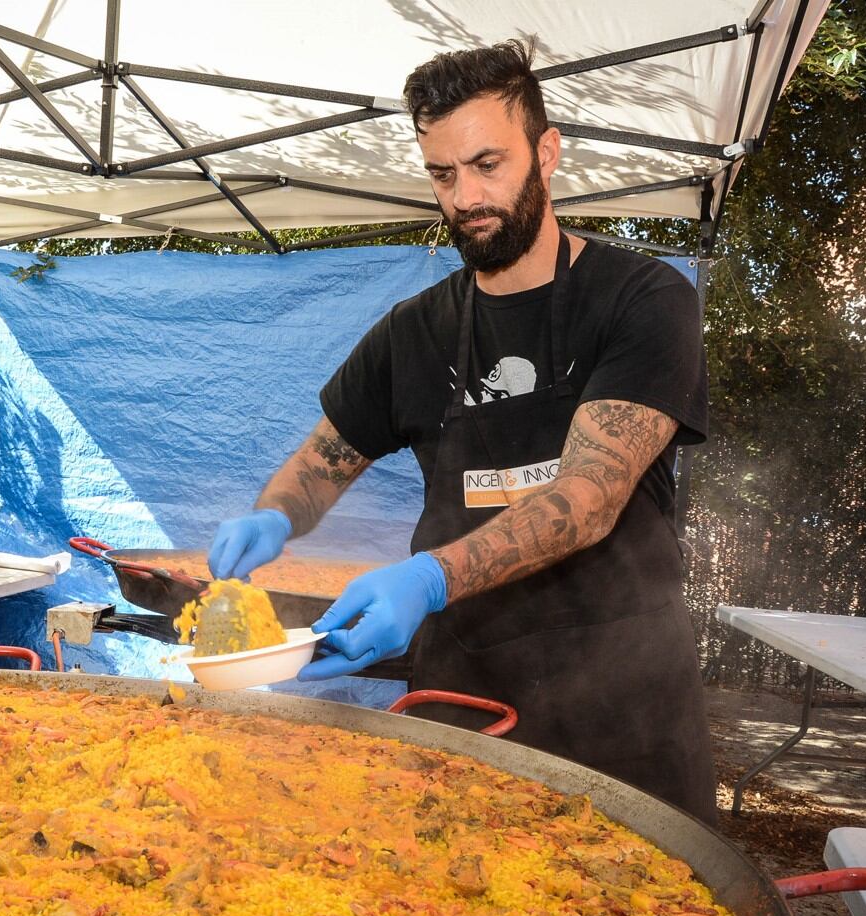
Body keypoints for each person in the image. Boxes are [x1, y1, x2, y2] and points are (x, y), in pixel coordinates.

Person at [208, 39, 717, 822]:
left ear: (546, 154)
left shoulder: (641, 298)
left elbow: (584, 497)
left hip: (621, 707)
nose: (466, 195)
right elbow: (320, 461)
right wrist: (274, 512)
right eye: (442, 174)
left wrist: (427, 578)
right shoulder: (411, 332)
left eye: (487, 164)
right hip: (460, 698)